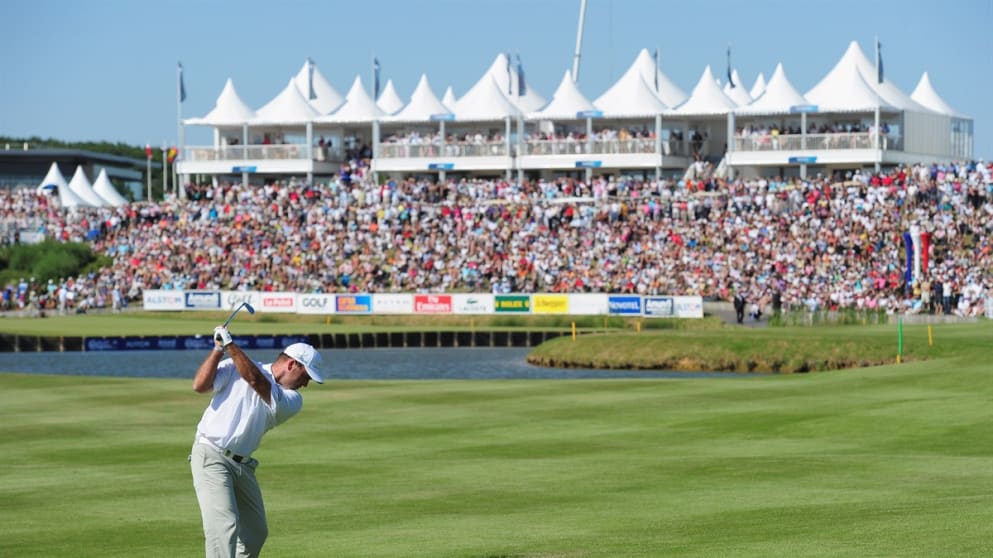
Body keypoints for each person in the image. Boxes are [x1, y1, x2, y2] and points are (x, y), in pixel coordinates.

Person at [190, 326, 324, 558]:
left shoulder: (292, 399)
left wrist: (231, 345)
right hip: (211, 455)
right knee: (224, 526)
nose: (306, 384)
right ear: (293, 365)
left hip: (242, 465)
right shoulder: (235, 367)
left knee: (255, 531)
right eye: (306, 376)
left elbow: (255, 380)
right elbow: (200, 386)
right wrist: (217, 349)